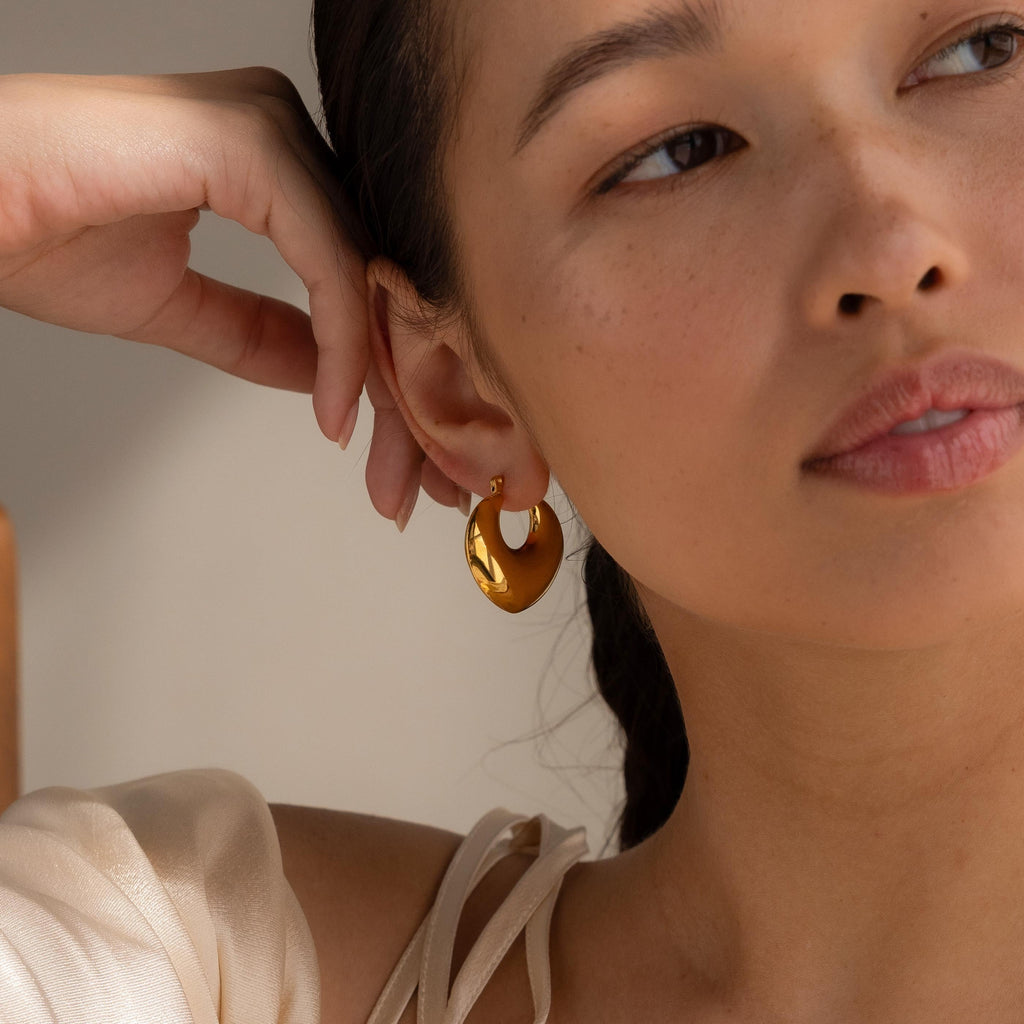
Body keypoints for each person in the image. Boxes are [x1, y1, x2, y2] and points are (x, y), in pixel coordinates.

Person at [4, 0, 1024, 1020]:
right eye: (679, 151)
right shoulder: (204, 956)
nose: (893, 247)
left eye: (984, 51)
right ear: (456, 388)